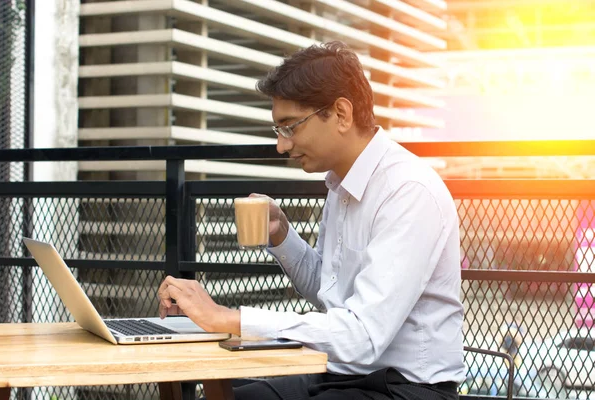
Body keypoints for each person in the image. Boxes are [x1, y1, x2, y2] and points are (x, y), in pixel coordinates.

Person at [158, 41, 465, 400]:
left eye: (290, 126)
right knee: (229, 395)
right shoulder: (340, 185)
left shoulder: (408, 191)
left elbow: (362, 336)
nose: (282, 146)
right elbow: (329, 290)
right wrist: (282, 236)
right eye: (279, 130)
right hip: (339, 373)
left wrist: (228, 318)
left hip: (407, 388)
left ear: (341, 114)